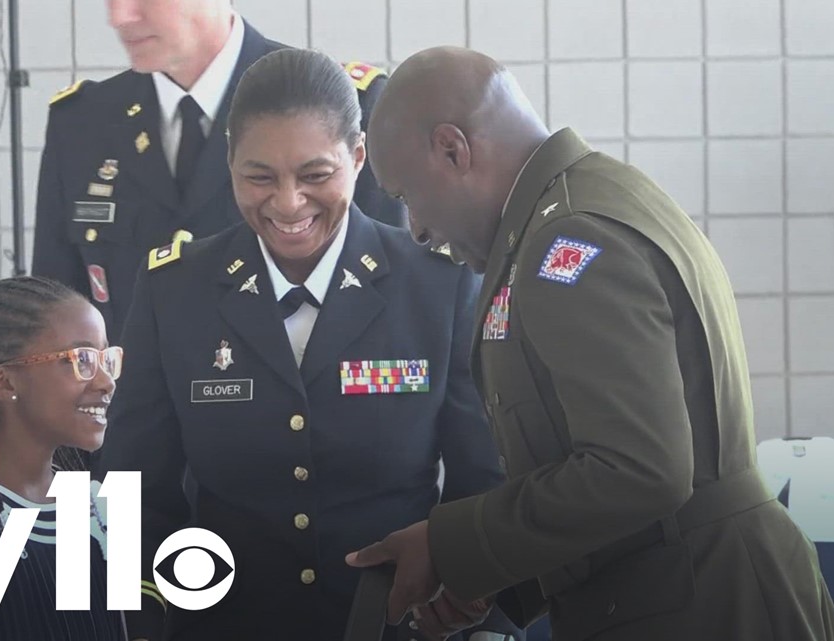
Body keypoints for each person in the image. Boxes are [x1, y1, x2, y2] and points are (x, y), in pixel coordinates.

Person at [346, 46, 834, 641]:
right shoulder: (573, 210)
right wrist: (492, 574)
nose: (419, 231)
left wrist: (450, 545)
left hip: (706, 605)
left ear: (454, 150)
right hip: (676, 589)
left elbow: (638, 470)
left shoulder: (571, 241)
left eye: (406, 197)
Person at [92, 49, 521, 641]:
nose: (288, 203)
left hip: (397, 626)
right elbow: (135, 488)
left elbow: (486, 479)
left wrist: (480, 619)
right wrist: (145, 620)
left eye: (316, 175)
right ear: (230, 163)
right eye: (259, 176)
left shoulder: (438, 284)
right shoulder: (176, 290)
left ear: (359, 157)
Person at [32, 0, 405, 346]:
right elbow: (55, 308)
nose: (120, 16)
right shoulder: (83, 122)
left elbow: (388, 299)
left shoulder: (342, 106)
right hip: (130, 410)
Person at [0, 276, 126, 641]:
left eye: (105, 359)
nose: (106, 382)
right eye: (80, 359)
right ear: (3, 383)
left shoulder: (98, 508)